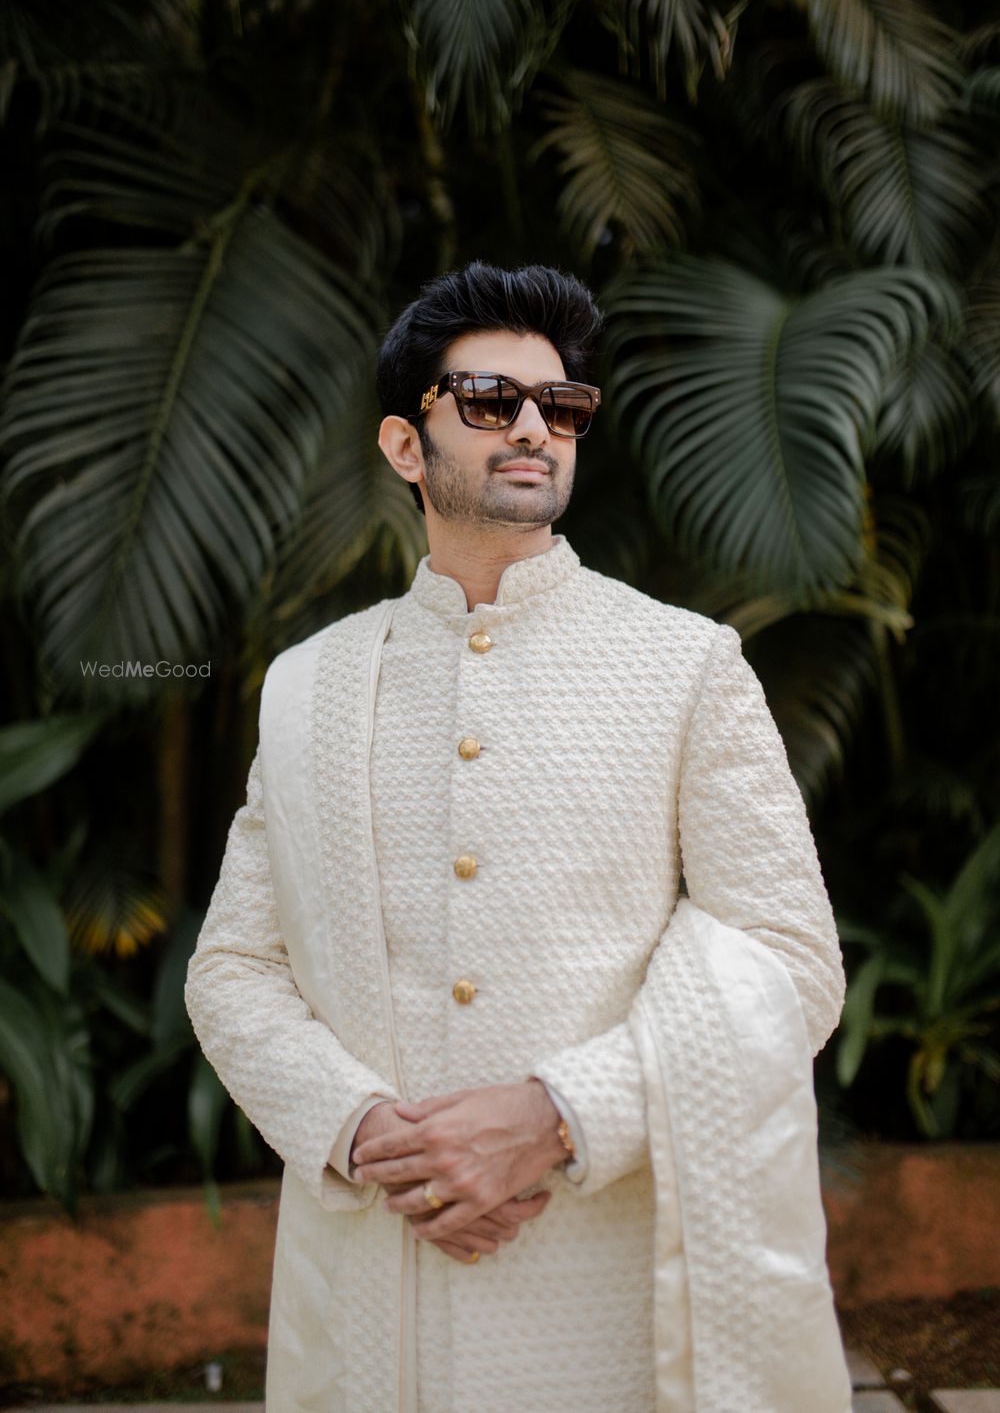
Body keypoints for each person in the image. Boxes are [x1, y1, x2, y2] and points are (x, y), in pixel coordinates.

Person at [185, 262, 853, 1413]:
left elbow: (789, 963)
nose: (537, 425)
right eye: (492, 401)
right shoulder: (308, 686)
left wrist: (556, 1117)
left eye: (564, 405)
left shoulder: (684, 665)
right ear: (407, 445)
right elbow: (235, 967)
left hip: (605, 1281)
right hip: (373, 1269)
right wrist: (363, 1134)